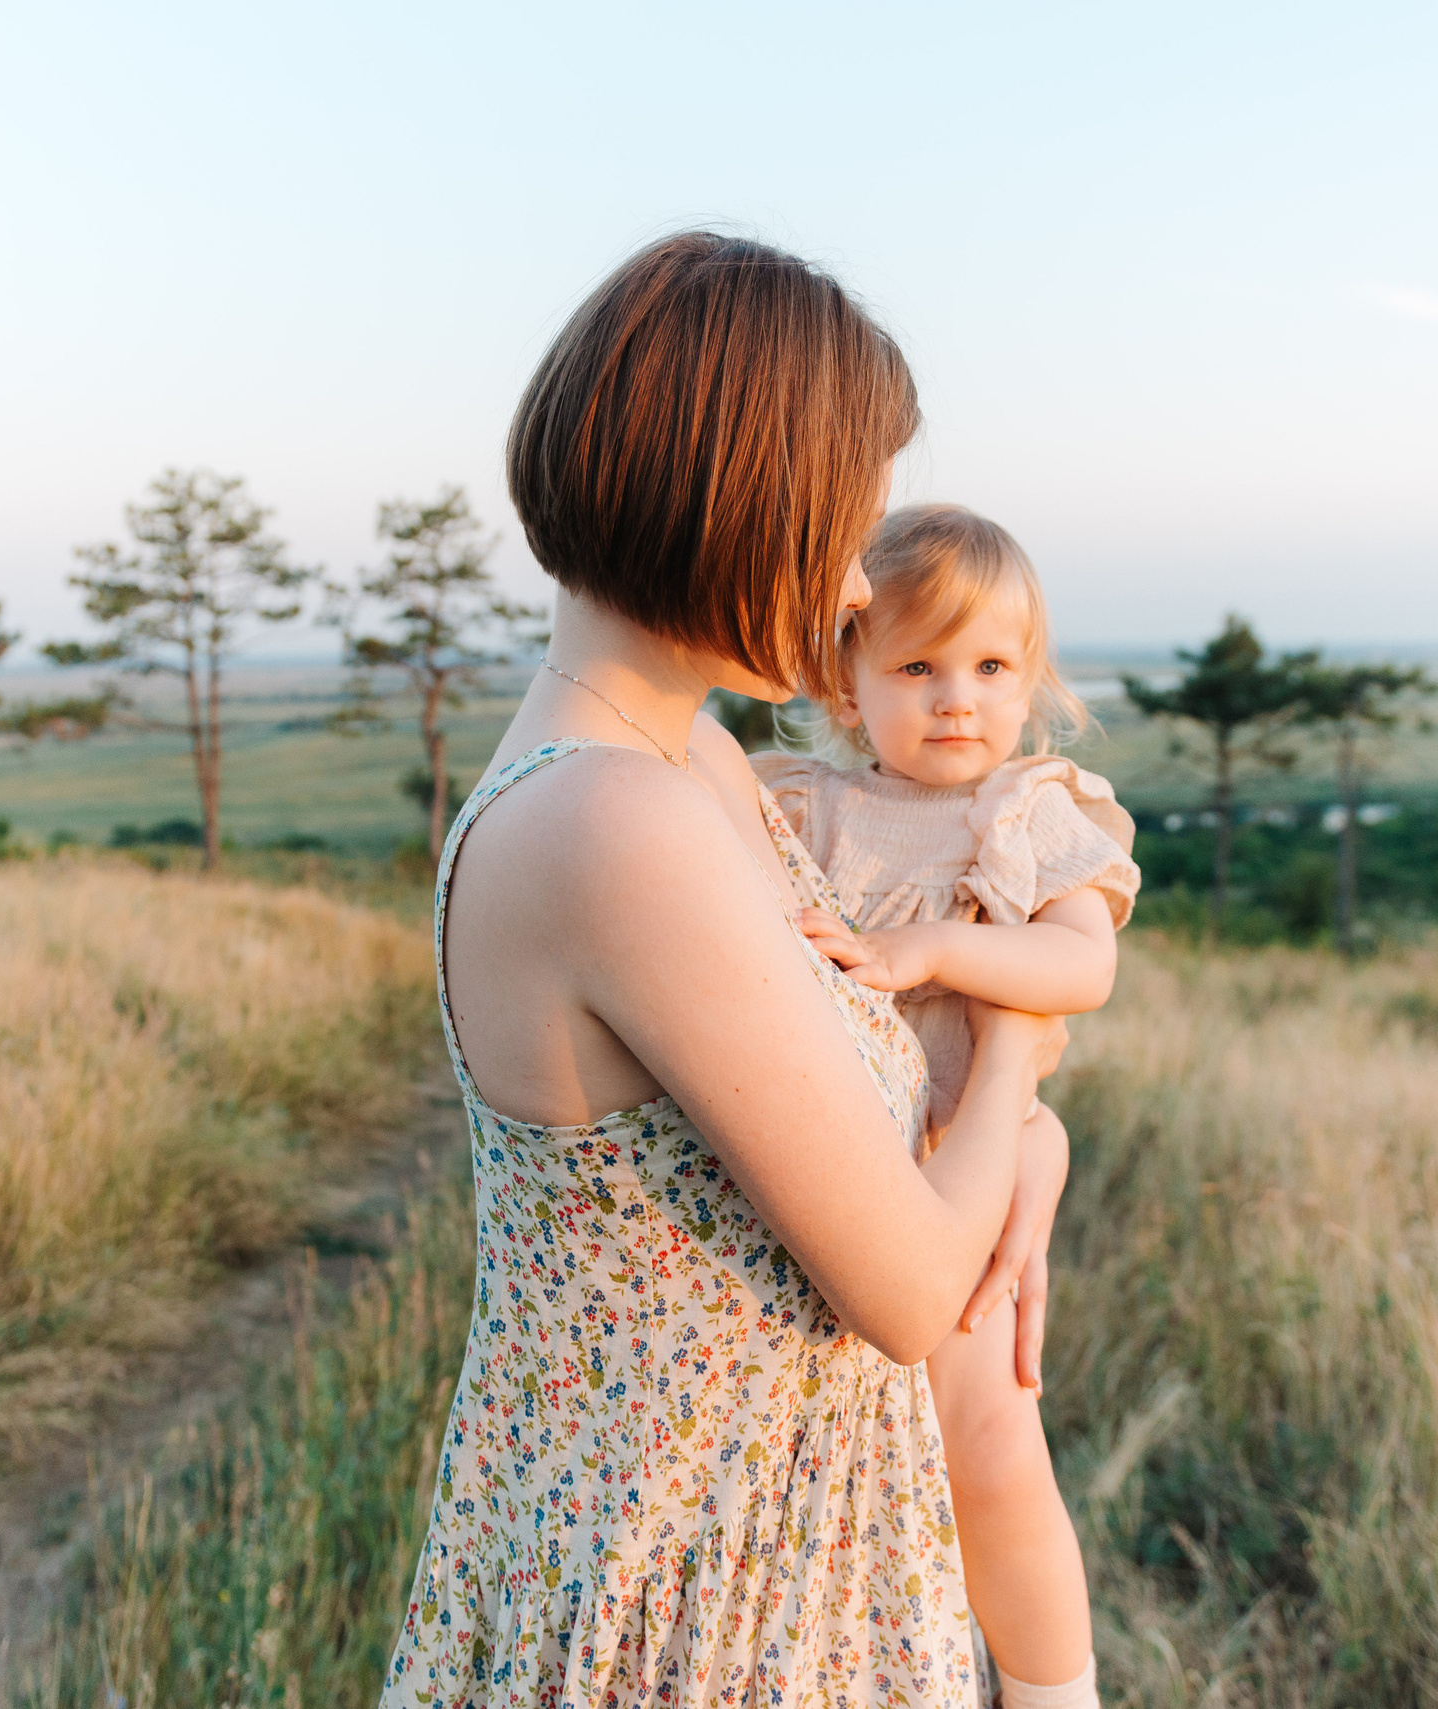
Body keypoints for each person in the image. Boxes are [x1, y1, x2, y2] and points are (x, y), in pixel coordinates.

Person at [380, 232, 1071, 1709]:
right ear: (732, 507)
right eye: (838, 528)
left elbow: (859, 1103)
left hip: (775, 1557)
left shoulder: (683, 755)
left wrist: (1032, 1148)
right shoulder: (610, 819)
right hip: (697, 1600)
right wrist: (1016, 1043)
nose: (844, 585)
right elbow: (907, 1286)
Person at [757, 503, 1141, 1709]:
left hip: (958, 1162)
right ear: (844, 682)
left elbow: (1081, 969)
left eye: (988, 666)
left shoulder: (1026, 814)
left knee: (988, 1448)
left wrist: (933, 949)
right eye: (915, 666)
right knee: (846, 1460)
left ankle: (1048, 1688)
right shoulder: (803, 807)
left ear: (1029, 681)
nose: (954, 697)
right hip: (822, 1169)